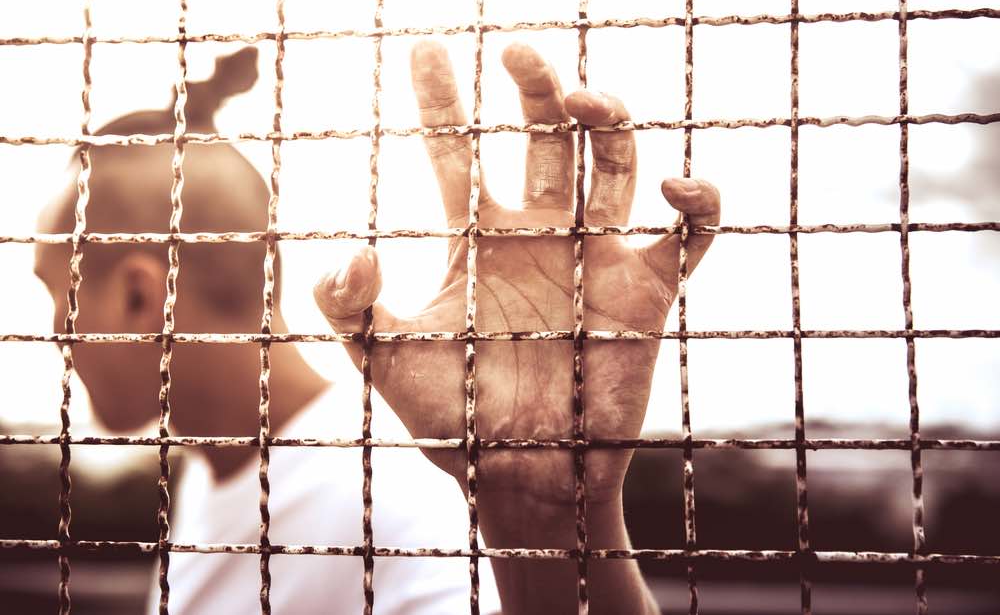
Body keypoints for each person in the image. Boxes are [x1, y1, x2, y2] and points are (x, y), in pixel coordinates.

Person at [35, 40, 720, 614]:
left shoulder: (386, 490)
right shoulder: (212, 473)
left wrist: (544, 531)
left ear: (137, 293)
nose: (53, 333)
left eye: (56, 294)